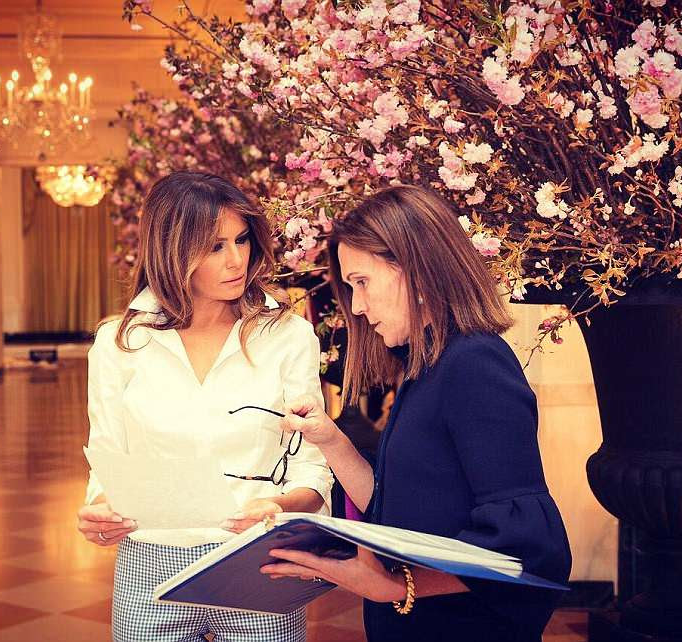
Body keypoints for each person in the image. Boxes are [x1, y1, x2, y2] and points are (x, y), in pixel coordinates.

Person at [263, 185, 572, 641]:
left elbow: (528, 551)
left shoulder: (474, 363)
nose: (359, 307)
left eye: (362, 282)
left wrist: (393, 585)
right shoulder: (423, 367)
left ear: (417, 270)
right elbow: (395, 510)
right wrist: (329, 439)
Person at [76, 171, 333, 642]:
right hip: (149, 560)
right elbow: (108, 458)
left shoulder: (288, 336)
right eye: (215, 246)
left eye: (241, 240)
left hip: (256, 558)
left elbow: (313, 471)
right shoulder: (119, 343)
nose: (237, 260)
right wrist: (98, 510)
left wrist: (276, 507)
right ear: (173, 250)